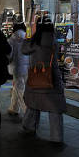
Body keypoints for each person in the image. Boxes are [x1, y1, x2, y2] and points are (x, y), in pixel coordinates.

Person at [21, 16, 66, 145]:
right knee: (54, 108)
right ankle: (56, 136)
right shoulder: (53, 39)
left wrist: (30, 35)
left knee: (33, 103)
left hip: (37, 75)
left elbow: (24, 50)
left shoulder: (36, 41)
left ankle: (29, 126)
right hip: (51, 77)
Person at [7, 22, 29, 116]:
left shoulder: (11, 40)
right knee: (18, 87)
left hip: (17, 67)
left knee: (19, 89)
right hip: (27, 67)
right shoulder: (27, 39)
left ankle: (27, 112)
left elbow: (9, 55)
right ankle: (14, 108)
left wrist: (8, 61)